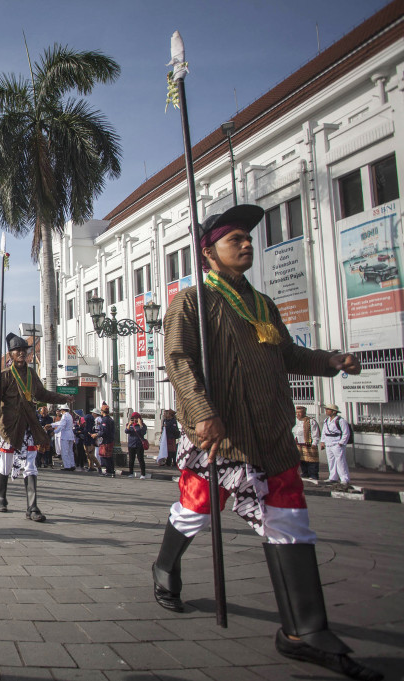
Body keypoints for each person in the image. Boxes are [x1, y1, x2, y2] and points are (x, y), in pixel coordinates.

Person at [150, 204, 379, 681]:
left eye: (250, 238)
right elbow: (178, 361)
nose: (248, 244)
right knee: (195, 508)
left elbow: (286, 354)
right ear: (209, 252)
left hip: (272, 434)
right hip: (223, 435)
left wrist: (330, 360)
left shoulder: (263, 304)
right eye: (237, 239)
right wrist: (203, 414)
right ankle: (164, 567)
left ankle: (304, 631)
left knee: (290, 518)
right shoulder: (189, 302)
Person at [0, 333, 69, 520]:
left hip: (28, 427)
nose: (21, 353)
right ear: (10, 354)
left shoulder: (32, 374)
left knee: (31, 464)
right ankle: (1, 496)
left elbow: (43, 394)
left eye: (24, 351)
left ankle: (32, 507)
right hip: (9, 428)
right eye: (17, 350)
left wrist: (63, 398)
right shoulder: (4, 376)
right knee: (6, 464)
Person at [319, 404, 352, 486]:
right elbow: (324, 432)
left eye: (328, 409)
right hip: (329, 443)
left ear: (334, 412)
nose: (326, 411)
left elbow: (346, 433)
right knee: (331, 461)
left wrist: (341, 443)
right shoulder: (326, 420)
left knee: (341, 461)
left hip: (337, 443)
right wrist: (322, 441)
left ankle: (344, 478)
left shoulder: (341, 421)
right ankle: (333, 477)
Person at [294, 406, 320, 481]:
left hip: (308, 443)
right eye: (297, 413)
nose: (298, 414)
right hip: (299, 442)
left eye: (299, 413)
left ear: (304, 413)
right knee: (302, 459)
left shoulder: (310, 421)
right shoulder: (296, 421)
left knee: (311, 459)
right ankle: (305, 472)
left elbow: (315, 432)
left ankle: (313, 474)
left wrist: (315, 442)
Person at [52, 405, 76, 470]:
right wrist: (52, 424)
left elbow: (62, 425)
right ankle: (72, 464)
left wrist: (55, 431)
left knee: (64, 451)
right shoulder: (70, 415)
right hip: (70, 435)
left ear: (63, 410)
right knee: (70, 451)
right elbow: (60, 423)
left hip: (65, 435)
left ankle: (67, 466)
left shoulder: (64, 416)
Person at [95, 405, 116, 477]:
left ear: (103, 412)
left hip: (106, 440)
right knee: (109, 456)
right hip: (110, 440)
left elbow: (103, 431)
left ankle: (109, 471)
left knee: (105, 456)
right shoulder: (110, 419)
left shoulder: (105, 420)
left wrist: (96, 434)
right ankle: (111, 471)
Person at [125, 412, 147, 479]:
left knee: (140, 459)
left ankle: (143, 474)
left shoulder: (143, 425)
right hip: (131, 444)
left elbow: (143, 432)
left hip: (139, 444)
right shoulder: (131, 425)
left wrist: (140, 425)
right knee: (131, 459)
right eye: (133, 418)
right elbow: (126, 431)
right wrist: (129, 424)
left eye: (136, 418)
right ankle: (131, 473)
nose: (134, 420)